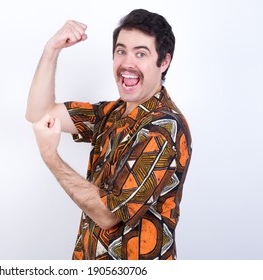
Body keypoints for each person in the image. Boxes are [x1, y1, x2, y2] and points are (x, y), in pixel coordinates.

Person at [25, 9, 192, 260]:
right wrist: (52, 49)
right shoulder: (112, 114)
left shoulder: (163, 129)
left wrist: (51, 158)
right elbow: (40, 112)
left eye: (141, 53)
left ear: (164, 61)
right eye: (121, 51)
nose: (127, 63)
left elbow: (107, 215)